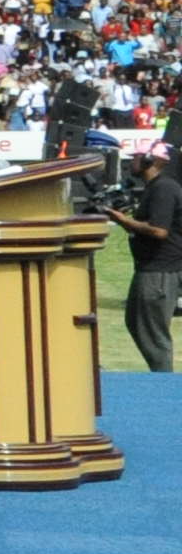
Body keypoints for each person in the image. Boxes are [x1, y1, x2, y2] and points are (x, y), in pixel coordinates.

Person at [112, 141, 182, 378]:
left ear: (151, 160)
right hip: (151, 268)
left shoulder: (164, 188)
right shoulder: (156, 187)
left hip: (159, 271)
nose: (132, 162)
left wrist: (123, 221)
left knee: (154, 335)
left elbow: (159, 231)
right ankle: (162, 382)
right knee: (136, 323)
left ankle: (165, 391)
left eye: (136, 157)